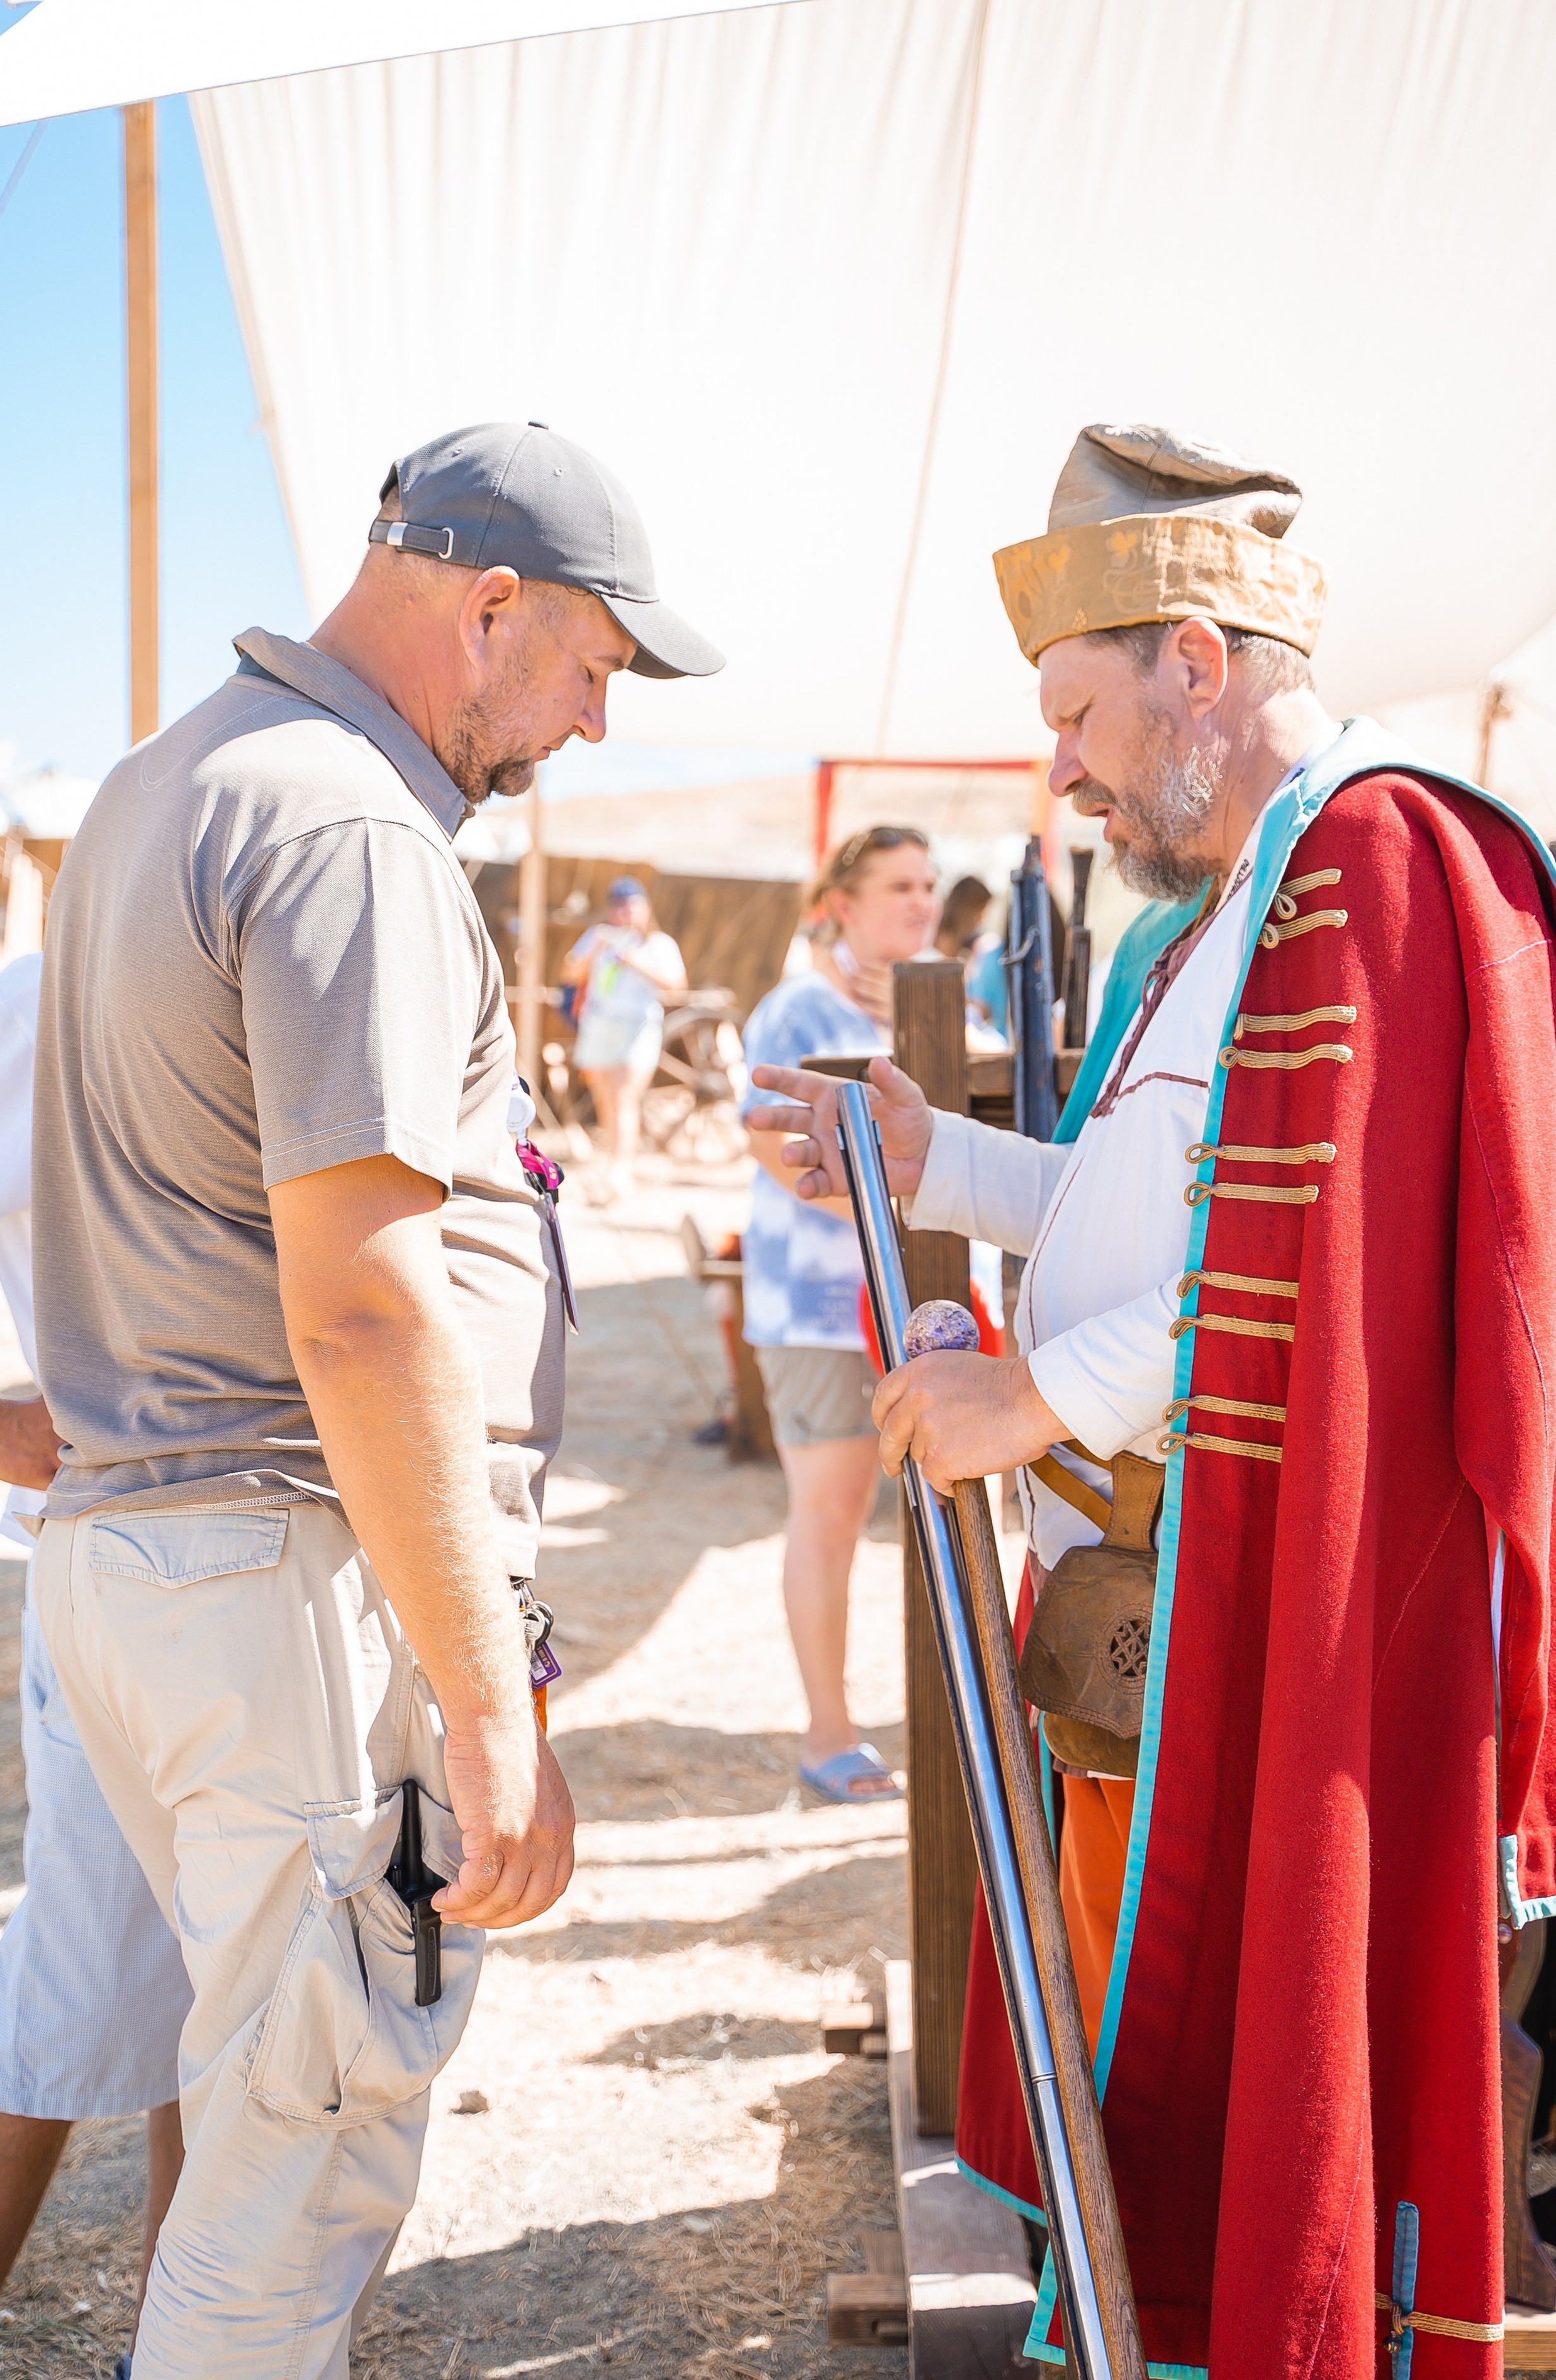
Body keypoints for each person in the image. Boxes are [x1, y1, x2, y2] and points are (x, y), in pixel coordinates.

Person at [751, 423, 1556, 2375]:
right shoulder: (1202, 919)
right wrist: (933, 1155)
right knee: (1145, 2085)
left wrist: (1033, 1398)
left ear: (1194, 662)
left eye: (1077, 707)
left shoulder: (1363, 864)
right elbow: (1154, 1216)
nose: (1062, 762)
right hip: (1155, 1616)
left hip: (1269, 1620)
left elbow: (1320, 1282)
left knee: (1241, 2077)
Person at [29, 420, 723, 2376]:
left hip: (165, 1555)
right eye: (592, 664)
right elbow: (362, 1310)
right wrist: (491, 1704)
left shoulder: (169, 779)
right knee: (295, 2174)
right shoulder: (346, 821)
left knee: (264, 2125)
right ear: (487, 603)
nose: (592, 721)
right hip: (281, 1581)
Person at [0, 952, 188, 2380]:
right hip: (127, 1559)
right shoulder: (55, 989)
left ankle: (185, 2345)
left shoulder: (334, 939)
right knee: (77, 1982)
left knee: (239, 1996)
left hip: (288, 1565)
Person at [739, 826, 939, 1802]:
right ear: (842, 904)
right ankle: (827, 1736)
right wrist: (932, 1194)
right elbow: (777, 1156)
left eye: (931, 884)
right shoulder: (799, 1011)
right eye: (899, 885)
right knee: (829, 1519)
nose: (921, 900)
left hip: (921, 1304)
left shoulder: (944, 1007)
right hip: (823, 1308)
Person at [566, 876, 686, 1198]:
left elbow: (677, 987)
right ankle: (612, 1163)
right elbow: (569, 973)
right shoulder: (599, 937)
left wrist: (636, 963)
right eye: (620, 906)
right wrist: (595, 952)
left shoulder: (659, 945)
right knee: (606, 1099)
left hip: (638, 1027)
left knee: (625, 1099)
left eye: (633, 906)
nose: (627, 913)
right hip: (600, 1024)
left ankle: (621, 1171)